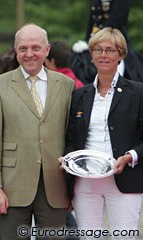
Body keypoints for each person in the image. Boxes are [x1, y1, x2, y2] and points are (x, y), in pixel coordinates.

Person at [0, 23, 75, 240]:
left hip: (55, 185)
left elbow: (71, 137)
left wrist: (72, 185)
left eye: (35, 47)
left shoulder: (66, 85)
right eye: (23, 48)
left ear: (47, 49)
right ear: (15, 51)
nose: (29, 54)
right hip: (12, 186)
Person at [63, 27, 143, 239]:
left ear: (121, 55)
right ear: (91, 55)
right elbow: (71, 139)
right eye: (98, 50)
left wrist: (130, 157)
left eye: (110, 50)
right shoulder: (80, 94)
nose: (103, 55)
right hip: (85, 181)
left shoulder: (138, 92)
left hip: (124, 178)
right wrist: (67, 159)